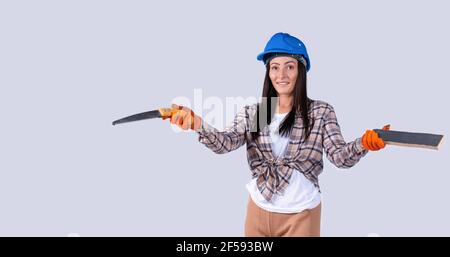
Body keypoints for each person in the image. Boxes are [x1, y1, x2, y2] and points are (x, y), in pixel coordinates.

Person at [168, 32, 390, 237]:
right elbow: (225, 144)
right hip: (257, 211)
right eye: (274, 67)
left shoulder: (320, 112)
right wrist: (198, 124)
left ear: (300, 71)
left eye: (289, 67)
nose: (281, 75)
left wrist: (363, 143)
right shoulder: (258, 113)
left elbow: (339, 157)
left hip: (301, 215)